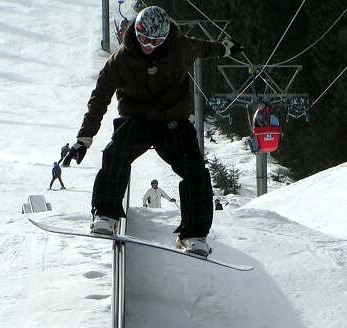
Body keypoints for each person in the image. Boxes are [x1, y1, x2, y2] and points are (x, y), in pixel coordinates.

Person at [61, 5, 242, 256]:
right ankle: (105, 214)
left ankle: (194, 233)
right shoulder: (121, 60)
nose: (147, 45)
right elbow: (99, 97)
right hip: (137, 119)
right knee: (115, 155)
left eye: (155, 41)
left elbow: (205, 48)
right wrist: (84, 137)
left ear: (165, 37)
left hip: (172, 120)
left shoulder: (180, 48)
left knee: (194, 169)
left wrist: (225, 48)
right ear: (136, 31)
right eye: (143, 38)